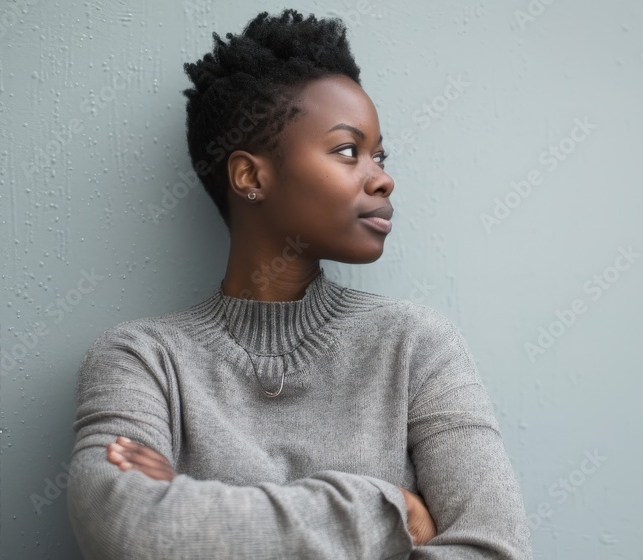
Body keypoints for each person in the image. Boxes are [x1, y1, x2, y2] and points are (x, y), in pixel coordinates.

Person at [66, 9, 533, 559]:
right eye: (347, 150)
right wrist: (391, 513)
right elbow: (126, 527)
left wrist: (191, 505)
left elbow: (498, 550)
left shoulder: (417, 346)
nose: (383, 177)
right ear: (250, 177)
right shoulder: (140, 359)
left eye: (379, 155)